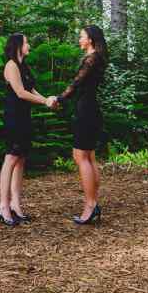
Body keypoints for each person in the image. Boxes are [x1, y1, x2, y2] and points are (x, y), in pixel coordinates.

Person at [0, 32, 57, 226]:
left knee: (21, 159)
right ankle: (3, 206)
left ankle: (15, 205)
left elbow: (30, 90)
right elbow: (20, 93)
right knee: (11, 157)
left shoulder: (23, 66)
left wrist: (48, 100)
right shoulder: (11, 66)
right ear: (18, 45)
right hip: (14, 117)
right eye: (26, 42)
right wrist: (44, 101)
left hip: (24, 117)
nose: (29, 45)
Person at [55, 25, 108, 224]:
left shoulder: (91, 59)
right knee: (89, 156)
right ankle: (93, 203)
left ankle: (90, 205)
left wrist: (59, 99)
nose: (79, 39)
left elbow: (76, 84)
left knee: (80, 156)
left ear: (91, 40)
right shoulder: (97, 58)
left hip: (85, 111)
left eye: (81, 36)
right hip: (91, 109)